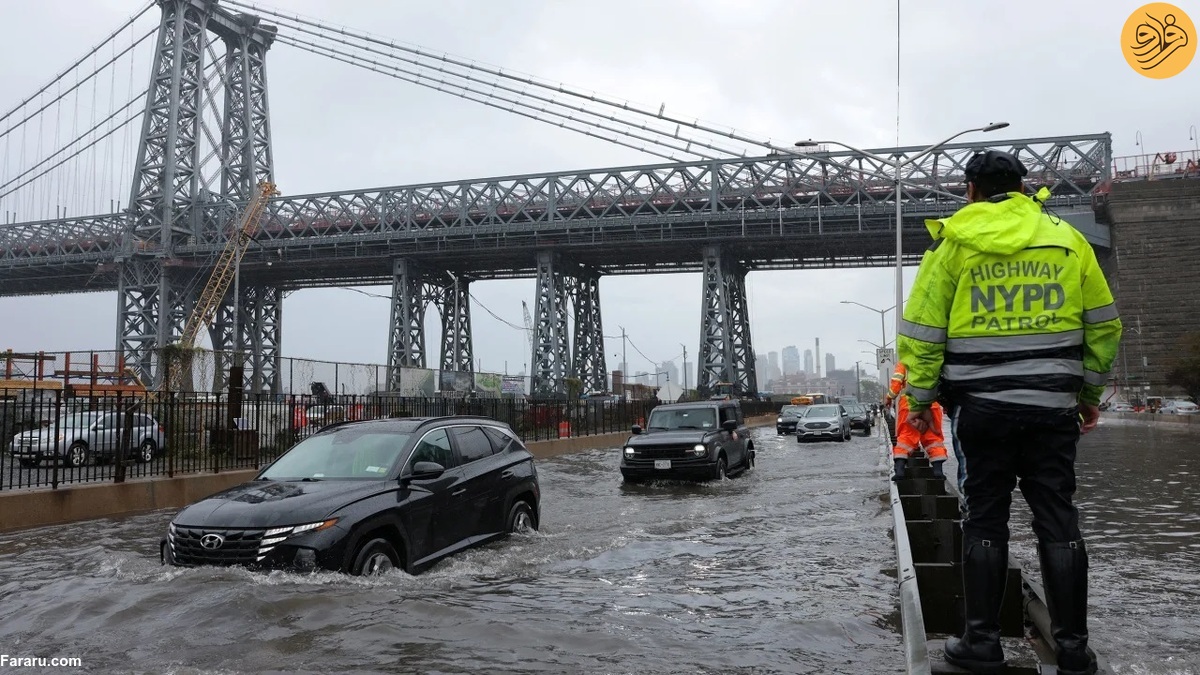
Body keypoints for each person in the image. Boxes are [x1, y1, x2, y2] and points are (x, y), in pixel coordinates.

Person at [897, 149, 1120, 675]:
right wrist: (1089, 396)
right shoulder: (1068, 241)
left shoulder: (953, 244)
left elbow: (924, 335)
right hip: (1052, 411)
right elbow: (1103, 325)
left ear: (970, 190)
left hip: (982, 412)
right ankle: (1073, 650)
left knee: (985, 519)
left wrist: (921, 402)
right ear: (1023, 188)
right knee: (1058, 521)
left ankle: (982, 643)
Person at [884, 361, 947, 480]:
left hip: (909, 405)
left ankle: (900, 471)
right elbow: (945, 381)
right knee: (933, 438)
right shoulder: (934, 359)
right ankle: (938, 471)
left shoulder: (905, 362)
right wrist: (947, 403)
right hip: (931, 404)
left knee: (906, 437)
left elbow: (896, 382)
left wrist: (889, 397)